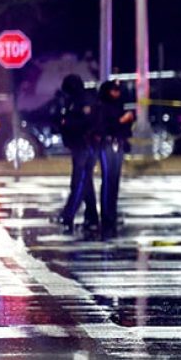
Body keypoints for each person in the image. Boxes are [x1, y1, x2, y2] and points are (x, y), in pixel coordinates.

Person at [56, 74, 100, 235]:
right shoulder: (73, 101)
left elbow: (87, 122)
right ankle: (91, 216)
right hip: (78, 145)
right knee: (86, 183)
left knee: (79, 182)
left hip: (85, 145)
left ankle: (69, 214)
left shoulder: (84, 100)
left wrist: (68, 123)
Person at [96, 80, 134, 240]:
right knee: (108, 180)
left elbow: (125, 129)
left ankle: (112, 214)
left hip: (118, 144)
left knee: (115, 181)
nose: (117, 93)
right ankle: (106, 217)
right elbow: (104, 126)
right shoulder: (102, 107)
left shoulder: (119, 105)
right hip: (106, 144)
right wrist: (121, 121)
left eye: (118, 90)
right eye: (114, 90)